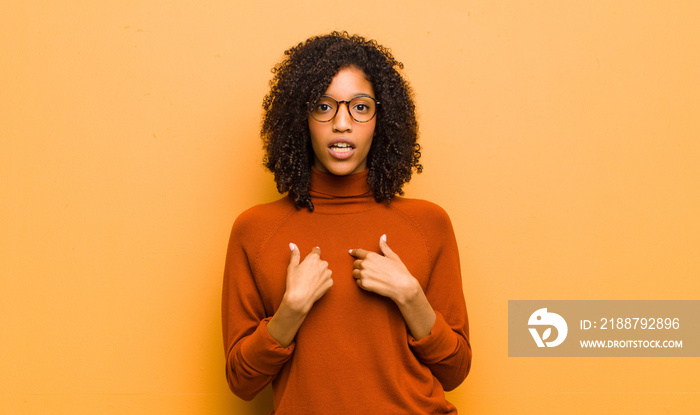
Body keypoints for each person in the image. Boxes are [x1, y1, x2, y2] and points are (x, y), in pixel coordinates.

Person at [222, 31, 471, 414]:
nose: (342, 123)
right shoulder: (255, 230)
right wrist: (291, 311)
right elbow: (241, 382)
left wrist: (410, 297)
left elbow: (455, 371)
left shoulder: (428, 223)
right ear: (300, 118)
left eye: (360, 107)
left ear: (380, 119)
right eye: (323, 107)